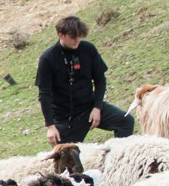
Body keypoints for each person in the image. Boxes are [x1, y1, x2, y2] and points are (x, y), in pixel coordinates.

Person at [35, 16, 135, 145]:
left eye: (80, 36)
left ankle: (119, 159)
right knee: (67, 157)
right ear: (60, 34)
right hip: (64, 116)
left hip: (89, 105)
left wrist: (97, 107)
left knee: (125, 121)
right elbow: (44, 94)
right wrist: (50, 126)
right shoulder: (48, 58)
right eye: (73, 37)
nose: (77, 40)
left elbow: (100, 79)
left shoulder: (88, 49)